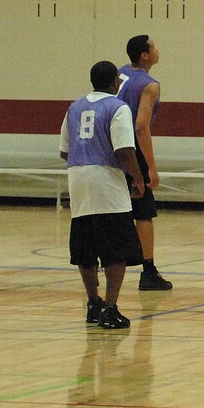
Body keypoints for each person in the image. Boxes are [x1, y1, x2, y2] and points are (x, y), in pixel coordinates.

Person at [61, 60, 146, 329]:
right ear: (114, 82)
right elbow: (124, 150)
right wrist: (138, 177)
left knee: (85, 246)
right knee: (115, 249)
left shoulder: (74, 107)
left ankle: (93, 303)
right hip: (106, 181)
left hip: (77, 179)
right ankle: (111, 307)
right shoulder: (117, 107)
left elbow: (64, 150)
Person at [116, 35, 171, 291]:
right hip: (131, 149)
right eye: (154, 47)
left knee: (113, 208)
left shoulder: (121, 73)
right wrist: (150, 166)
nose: (158, 50)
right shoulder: (149, 85)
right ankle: (148, 271)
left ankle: (107, 261)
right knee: (145, 212)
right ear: (145, 55)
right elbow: (141, 126)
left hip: (111, 147)